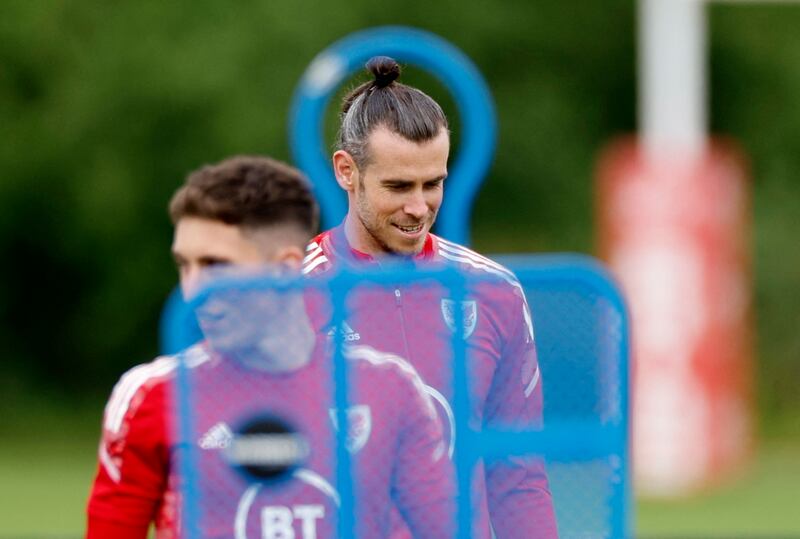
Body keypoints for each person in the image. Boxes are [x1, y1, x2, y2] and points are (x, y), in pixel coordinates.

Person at [86, 155, 454, 538]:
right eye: (185, 265)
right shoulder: (152, 394)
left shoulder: (388, 387)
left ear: (285, 269)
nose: (194, 290)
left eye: (216, 266)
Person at [303, 57, 559, 538]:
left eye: (432, 183)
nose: (418, 207)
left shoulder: (495, 292)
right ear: (346, 171)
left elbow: (518, 476)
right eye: (398, 186)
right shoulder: (290, 294)